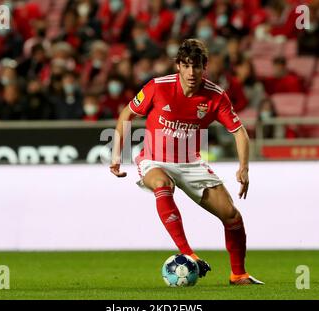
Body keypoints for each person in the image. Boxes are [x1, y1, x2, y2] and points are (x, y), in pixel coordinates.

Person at [110, 39, 264, 285]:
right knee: (162, 184)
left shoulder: (215, 96)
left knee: (232, 216)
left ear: (205, 67)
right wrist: (117, 153)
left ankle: (239, 274)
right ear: (178, 66)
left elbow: (239, 131)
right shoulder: (158, 87)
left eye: (197, 66)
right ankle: (188, 253)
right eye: (186, 65)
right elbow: (127, 113)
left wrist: (243, 168)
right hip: (154, 158)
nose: (192, 72)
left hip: (191, 163)